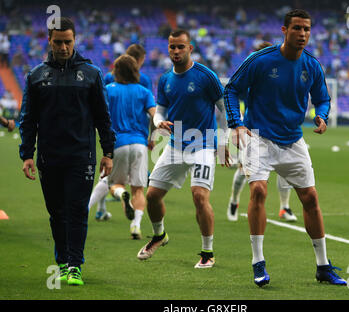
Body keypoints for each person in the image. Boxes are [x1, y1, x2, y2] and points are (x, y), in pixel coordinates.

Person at [224, 9, 346, 287]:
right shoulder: (260, 60)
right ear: (284, 30)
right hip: (259, 137)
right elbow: (231, 89)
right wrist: (236, 123)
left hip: (293, 139)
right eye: (297, 28)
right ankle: (258, 262)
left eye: (307, 29)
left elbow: (323, 98)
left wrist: (322, 115)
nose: (302, 34)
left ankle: (323, 267)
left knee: (311, 199)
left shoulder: (312, 66)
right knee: (257, 190)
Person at [19, 17, 115, 286]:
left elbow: (102, 117)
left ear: (75, 41)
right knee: (57, 213)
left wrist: (108, 152)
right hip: (49, 158)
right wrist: (27, 153)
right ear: (49, 40)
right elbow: (28, 119)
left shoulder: (91, 74)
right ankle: (62, 261)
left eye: (68, 42)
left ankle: (74, 265)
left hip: (81, 156)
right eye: (58, 41)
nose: (63, 47)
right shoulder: (36, 76)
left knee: (76, 211)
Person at [137, 29, 230, 268]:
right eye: (172, 47)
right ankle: (159, 236)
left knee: (199, 196)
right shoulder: (166, 79)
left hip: (204, 145)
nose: (176, 51)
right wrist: (159, 123)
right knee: (152, 196)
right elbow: (160, 111)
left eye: (180, 47)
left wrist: (223, 142)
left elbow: (224, 109)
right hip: (176, 145)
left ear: (190, 48)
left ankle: (207, 252)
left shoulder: (205, 76)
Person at [227, 41, 297, 223]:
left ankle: (285, 207)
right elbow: (233, 94)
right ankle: (234, 200)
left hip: (279, 130)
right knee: (244, 171)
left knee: (285, 170)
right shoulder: (249, 77)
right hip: (253, 130)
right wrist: (237, 125)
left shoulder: (279, 77)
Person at [89, 54, 156, 240]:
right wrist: (152, 136)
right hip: (140, 144)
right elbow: (154, 116)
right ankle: (136, 225)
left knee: (113, 184)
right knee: (139, 189)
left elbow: (97, 115)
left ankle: (120, 193)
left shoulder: (109, 90)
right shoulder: (144, 92)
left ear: (116, 71)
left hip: (117, 144)